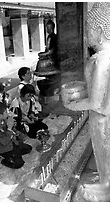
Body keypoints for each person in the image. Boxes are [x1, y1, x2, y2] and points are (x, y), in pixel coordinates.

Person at [65, 2, 110, 201]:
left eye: (89, 30)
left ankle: (106, 186)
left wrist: (71, 104)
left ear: (100, 31)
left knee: (104, 154)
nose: (87, 35)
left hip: (102, 119)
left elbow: (94, 102)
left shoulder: (100, 61)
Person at [0, 102, 32, 169]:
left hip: (12, 143)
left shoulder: (3, 120)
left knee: (29, 149)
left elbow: (10, 130)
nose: (8, 113)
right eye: (6, 112)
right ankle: (5, 160)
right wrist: (9, 128)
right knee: (19, 164)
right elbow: (5, 142)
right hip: (5, 149)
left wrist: (13, 129)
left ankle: (15, 155)